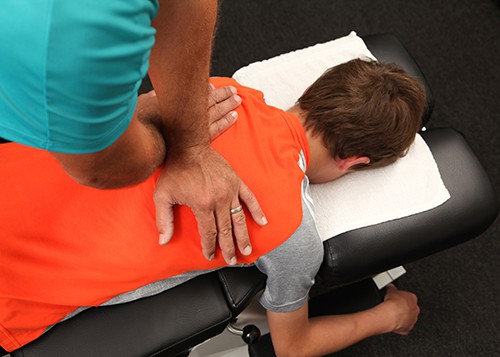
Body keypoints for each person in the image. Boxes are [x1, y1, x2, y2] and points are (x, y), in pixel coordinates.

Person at [0, 59, 425, 355]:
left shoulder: (221, 92)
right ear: (355, 162)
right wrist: (389, 315)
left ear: (311, 91)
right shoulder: (292, 232)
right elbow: (294, 347)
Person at [0, 0, 267, 268]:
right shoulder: (63, 41)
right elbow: (105, 167)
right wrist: (150, 124)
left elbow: (186, 6)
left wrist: (190, 143)